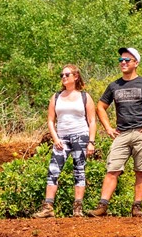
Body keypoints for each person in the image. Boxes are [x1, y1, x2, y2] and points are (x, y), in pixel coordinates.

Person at [88, 47, 142, 218]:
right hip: (122, 133)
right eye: (121, 60)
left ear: (136, 63)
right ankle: (102, 206)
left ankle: (137, 207)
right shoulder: (114, 85)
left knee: (141, 170)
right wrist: (108, 127)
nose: (123, 63)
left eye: (127, 60)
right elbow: (100, 106)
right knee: (112, 169)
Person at [33, 65, 97, 218]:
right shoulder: (56, 97)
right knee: (53, 170)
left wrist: (91, 142)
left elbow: (92, 120)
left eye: (67, 74)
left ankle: (77, 208)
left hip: (80, 136)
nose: (63, 77)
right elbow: (50, 120)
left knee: (79, 170)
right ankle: (48, 207)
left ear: (75, 76)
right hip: (61, 138)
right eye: (62, 75)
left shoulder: (84, 97)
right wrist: (55, 138)